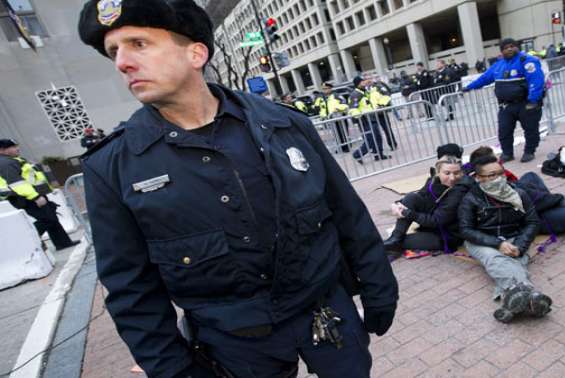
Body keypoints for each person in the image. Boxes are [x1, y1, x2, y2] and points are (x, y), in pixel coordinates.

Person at [77, 1, 399, 377]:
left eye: (139, 44)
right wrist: (174, 370)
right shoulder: (112, 166)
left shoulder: (284, 125)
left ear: (196, 52)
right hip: (234, 342)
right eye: (114, 51)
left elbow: (347, 214)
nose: (122, 62)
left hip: (325, 311)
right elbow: (131, 289)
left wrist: (379, 287)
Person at [458, 154, 552, 323]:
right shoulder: (470, 199)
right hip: (481, 240)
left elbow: (532, 221)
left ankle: (512, 298)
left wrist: (521, 247)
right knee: (495, 259)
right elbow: (466, 230)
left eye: (500, 173)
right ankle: (531, 296)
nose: (499, 178)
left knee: (515, 258)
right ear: (478, 178)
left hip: (514, 237)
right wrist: (498, 244)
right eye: (492, 175)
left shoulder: (518, 193)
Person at [463, 38, 545, 163]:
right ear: (502, 51)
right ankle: (507, 153)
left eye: (512, 46)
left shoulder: (527, 61)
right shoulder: (498, 65)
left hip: (525, 103)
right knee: (504, 131)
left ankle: (529, 151)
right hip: (506, 106)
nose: (509, 49)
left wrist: (533, 100)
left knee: (530, 129)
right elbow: (484, 78)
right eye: (506, 47)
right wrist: (468, 87)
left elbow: (536, 81)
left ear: (517, 47)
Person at [383, 155, 473, 258]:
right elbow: (419, 196)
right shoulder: (433, 181)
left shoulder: (460, 191)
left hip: (447, 235)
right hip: (430, 224)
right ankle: (395, 238)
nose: (452, 178)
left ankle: (394, 241)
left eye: (457, 173)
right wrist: (396, 204)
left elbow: (437, 221)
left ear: (462, 172)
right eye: (447, 173)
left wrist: (407, 213)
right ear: (438, 172)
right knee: (411, 197)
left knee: (394, 243)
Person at [0, 139, 80, 251]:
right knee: (47, 219)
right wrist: (35, 197)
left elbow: (31, 178)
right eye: (13, 147)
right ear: (3, 150)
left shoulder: (13, 160)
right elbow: (18, 184)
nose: (17, 148)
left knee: (51, 217)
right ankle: (28, 242)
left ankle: (63, 243)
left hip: (32, 194)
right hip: (27, 197)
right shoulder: (6, 163)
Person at [349, 76, 389, 163]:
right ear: (358, 83)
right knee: (370, 140)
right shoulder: (355, 94)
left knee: (377, 137)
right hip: (364, 120)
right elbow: (353, 109)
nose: (365, 82)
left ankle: (379, 155)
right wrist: (360, 116)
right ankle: (357, 155)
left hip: (372, 118)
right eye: (363, 81)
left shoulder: (365, 92)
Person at [314, 82, 350, 152]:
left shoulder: (336, 95)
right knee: (336, 134)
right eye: (323, 89)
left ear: (330, 89)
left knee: (343, 132)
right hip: (331, 119)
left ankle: (346, 147)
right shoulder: (323, 98)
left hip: (339, 117)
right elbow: (323, 108)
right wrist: (323, 116)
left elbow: (345, 104)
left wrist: (337, 108)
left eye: (326, 89)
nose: (325, 90)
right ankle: (340, 147)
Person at [368, 80, 398, 150]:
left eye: (368, 80)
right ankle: (376, 148)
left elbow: (387, 94)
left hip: (381, 112)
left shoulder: (378, 86)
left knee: (387, 129)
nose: (367, 82)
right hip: (371, 113)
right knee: (375, 132)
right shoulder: (366, 89)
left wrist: (382, 104)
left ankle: (392, 144)